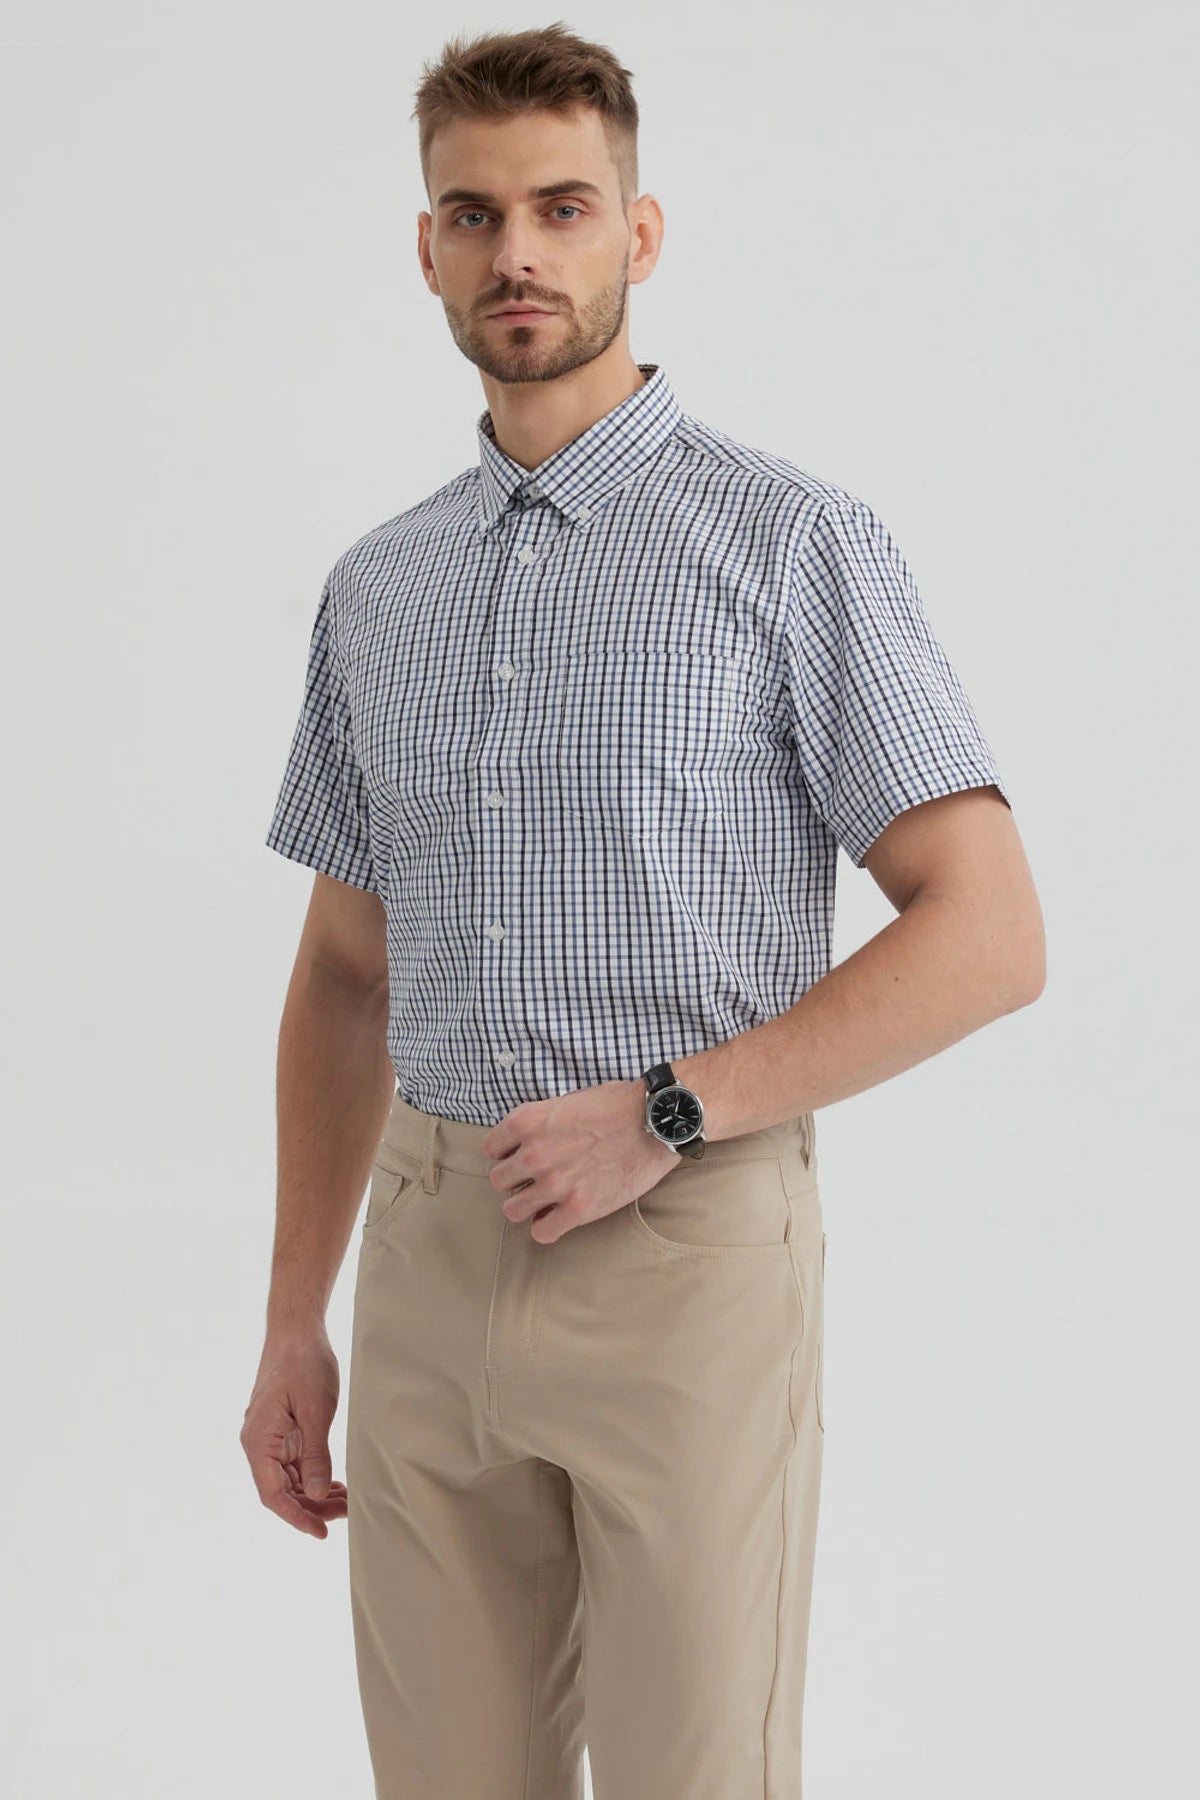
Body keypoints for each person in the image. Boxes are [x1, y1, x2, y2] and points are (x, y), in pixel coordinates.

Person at [240, 22, 1045, 1799]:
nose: (516, 252)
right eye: (473, 214)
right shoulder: (379, 587)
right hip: (428, 1263)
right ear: (427, 249)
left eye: (562, 206)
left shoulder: (791, 544)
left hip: (685, 1257)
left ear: (641, 233)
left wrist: (669, 1112)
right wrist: (297, 1318)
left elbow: (990, 931)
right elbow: (347, 976)